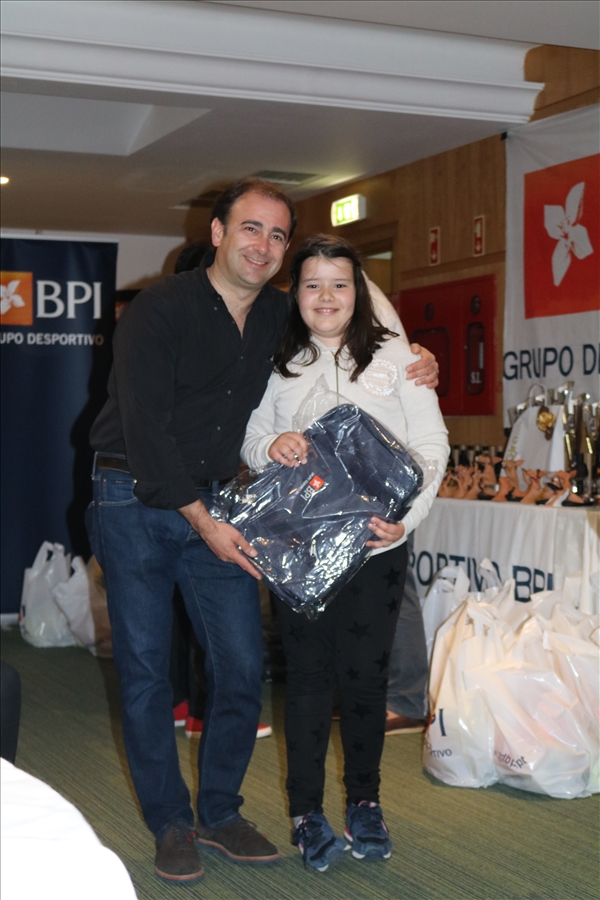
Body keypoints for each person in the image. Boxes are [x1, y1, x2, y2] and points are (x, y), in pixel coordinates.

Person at [87, 179, 438, 883]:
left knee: (243, 666)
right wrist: (204, 521)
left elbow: (355, 308)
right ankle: (171, 823)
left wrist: (416, 358)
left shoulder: (282, 314)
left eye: (278, 235)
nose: (264, 245)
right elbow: (146, 430)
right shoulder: (160, 309)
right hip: (133, 496)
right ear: (218, 233)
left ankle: (220, 812)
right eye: (251, 228)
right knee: (149, 669)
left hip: (221, 502)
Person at [241, 234, 449, 872]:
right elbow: (251, 435)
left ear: (359, 293)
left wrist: (405, 521)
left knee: (365, 680)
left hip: (376, 546)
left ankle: (366, 804)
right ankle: (306, 812)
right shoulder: (276, 360)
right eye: (312, 284)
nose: (325, 296)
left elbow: (432, 445)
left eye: (339, 284)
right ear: (295, 293)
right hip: (302, 549)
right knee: (306, 680)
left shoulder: (399, 358)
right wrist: (269, 446)